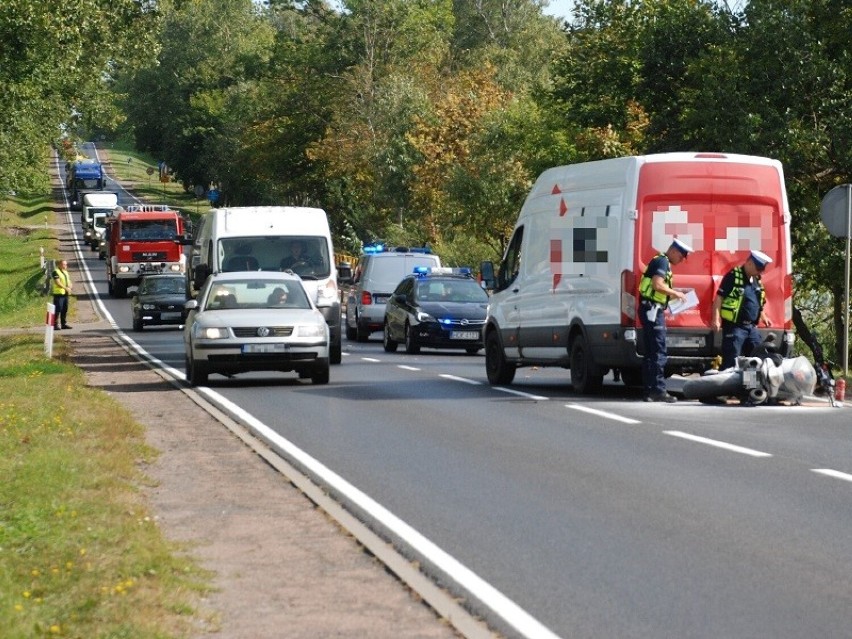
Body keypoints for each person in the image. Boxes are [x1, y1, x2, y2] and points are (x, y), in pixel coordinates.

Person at [638, 238, 691, 402]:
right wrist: (676, 294)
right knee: (658, 351)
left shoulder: (660, 260)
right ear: (674, 251)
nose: (681, 261)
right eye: (681, 257)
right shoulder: (662, 262)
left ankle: (650, 390)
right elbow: (657, 285)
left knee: (651, 352)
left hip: (649, 309)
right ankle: (658, 390)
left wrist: (672, 294)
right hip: (653, 310)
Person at [711, 249, 773, 370]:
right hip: (735, 327)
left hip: (751, 328)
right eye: (758, 268)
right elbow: (719, 297)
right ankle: (727, 388)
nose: (759, 272)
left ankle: (750, 387)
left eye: (761, 270)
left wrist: (763, 316)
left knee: (754, 360)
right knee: (732, 360)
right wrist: (716, 318)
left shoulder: (757, 281)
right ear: (749, 263)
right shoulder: (733, 276)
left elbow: (758, 302)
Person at [51, 259, 73, 330]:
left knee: (64, 309)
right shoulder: (55, 272)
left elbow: (69, 281)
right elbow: (58, 282)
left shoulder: (65, 272)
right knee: (58, 309)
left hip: (65, 294)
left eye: (66, 264)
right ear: (59, 265)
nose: (65, 266)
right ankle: (55, 324)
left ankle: (63, 324)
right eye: (64, 264)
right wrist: (66, 288)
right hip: (59, 294)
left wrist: (70, 286)